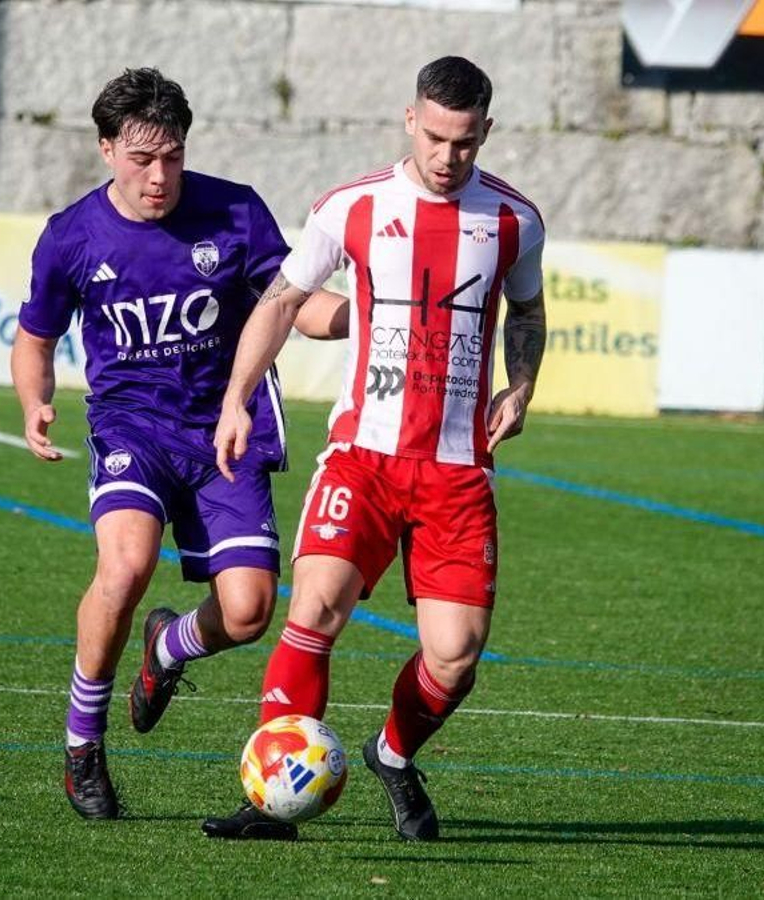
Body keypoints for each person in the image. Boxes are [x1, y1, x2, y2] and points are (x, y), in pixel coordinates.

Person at [204, 56, 548, 842]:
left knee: (455, 657)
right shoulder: (352, 206)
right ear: (409, 121)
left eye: (463, 142)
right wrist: (236, 400)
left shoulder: (514, 221)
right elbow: (284, 300)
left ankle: (394, 753)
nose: (446, 156)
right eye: (433, 137)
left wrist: (521, 385)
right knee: (316, 606)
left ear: (485, 133)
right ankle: (271, 801)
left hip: (458, 472)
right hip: (364, 457)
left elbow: (526, 312)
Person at [11, 67, 331, 820]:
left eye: (174, 157)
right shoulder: (71, 237)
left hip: (225, 427)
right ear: (106, 150)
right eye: (142, 158)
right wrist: (36, 401)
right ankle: (83, 745)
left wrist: (368, 315)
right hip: (132, 429)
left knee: (249, 612)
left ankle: (168, 649)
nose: (160, 177)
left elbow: (296, 306)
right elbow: (35, 336)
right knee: (124, 567)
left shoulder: (236, 212)